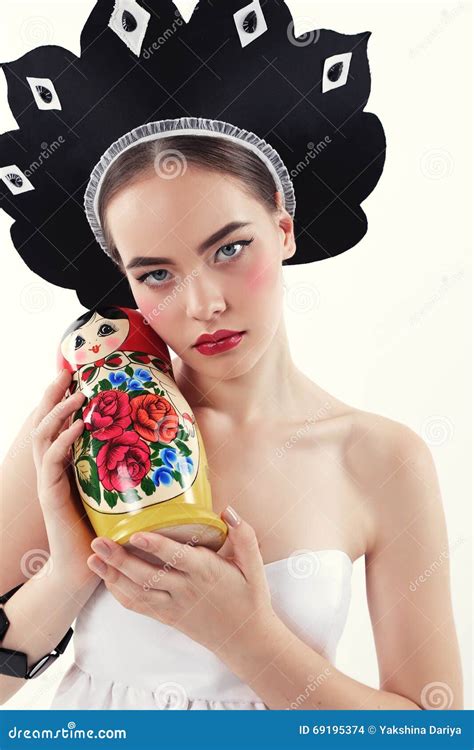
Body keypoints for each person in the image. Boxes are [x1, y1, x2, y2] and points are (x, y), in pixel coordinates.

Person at [0, 0, 463, 710]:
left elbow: (430, 730)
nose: (202, 305)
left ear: (284, 228)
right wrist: (66, 571)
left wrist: (246, 637)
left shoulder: (381, 457)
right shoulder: (78, 434)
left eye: (229, 249)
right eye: (156, 273)